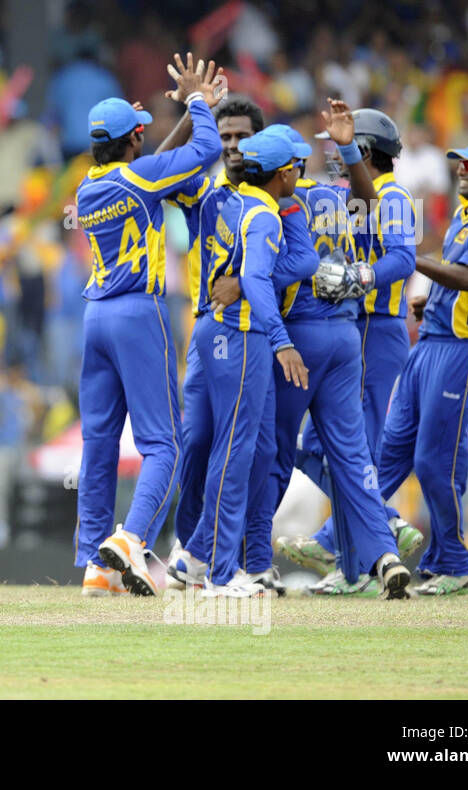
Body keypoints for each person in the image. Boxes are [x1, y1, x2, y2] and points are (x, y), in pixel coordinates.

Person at [74, 54, 224, 597]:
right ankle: (131, 539)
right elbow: (204, 152)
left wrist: (153, 125)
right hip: (139, 313)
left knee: (99, 445)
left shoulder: (89, 187)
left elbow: (152, 167)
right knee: (164, 444)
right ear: (135, 137)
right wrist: (200, 102)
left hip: (94, 319)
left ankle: (95, 566)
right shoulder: (139, 177)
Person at [255, 120, 412, 599]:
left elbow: (268, 271)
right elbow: (367, 202)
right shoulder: (334, 195)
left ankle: (253, 561)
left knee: (277, 451)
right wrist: (346, 147)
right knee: (352, 455)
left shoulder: (280, 201)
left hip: (302, 339)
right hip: (346, 336)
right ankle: (383, 554)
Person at [376, 137, 468, 595]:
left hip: (463, 350)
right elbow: (455, 281)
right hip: (432, 342)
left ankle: (456, 564)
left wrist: (410, 261)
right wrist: (432, 303)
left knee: (434, 461)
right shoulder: (463, 216)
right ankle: (353, 548)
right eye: (459, 162)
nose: (461, 169)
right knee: (389, 452)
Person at [181, 125, 313, 597]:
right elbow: (255, 279)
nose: (300, 172)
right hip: (239, 335)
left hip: (225, 332)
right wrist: (281, 341)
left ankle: (198, 555)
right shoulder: (264, 217)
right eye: (296, 167)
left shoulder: (233, 200)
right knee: (234, 453)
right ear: (283, 173)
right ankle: (219, 573)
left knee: (249, 449)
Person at [162, 95, 265, 589]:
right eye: (224, 137)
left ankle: (217, 559)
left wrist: (244, 283)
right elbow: (153, 173)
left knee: (243, 447)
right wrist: (190, 113)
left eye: (241, 137)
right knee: (197, 441)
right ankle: (191, 555)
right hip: (207, 331)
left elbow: (292, 264)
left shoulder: (279, 193)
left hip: (250, 331)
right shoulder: (205, 188)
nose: (232, 146)